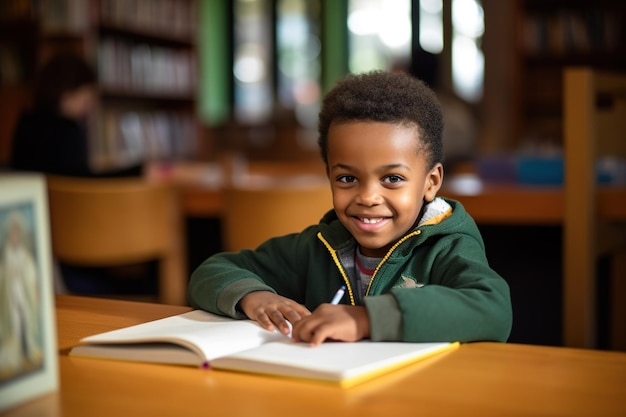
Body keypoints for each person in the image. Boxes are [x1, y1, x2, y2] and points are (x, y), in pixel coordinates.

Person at [188, 70, 512, 346]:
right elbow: (211, 272)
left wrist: (365, 319)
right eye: (346, 178)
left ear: (431, 182)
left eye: (392, 178)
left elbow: (493, 308)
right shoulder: (317, 246)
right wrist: (254, 297)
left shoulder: (447, 246)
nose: (368, 197)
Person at [9, 53, 142, 177]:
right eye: (86, 101)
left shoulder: (27, 122)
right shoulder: (66, 130)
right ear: (65, 95)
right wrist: (137, 171)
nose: (90, 108)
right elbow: (83, 184)